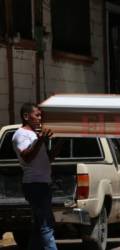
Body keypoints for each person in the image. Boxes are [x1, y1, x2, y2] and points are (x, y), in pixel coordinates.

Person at [12, 103, 60, 250]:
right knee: (46, 225)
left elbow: (48, 158)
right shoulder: (21, 134)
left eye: (41, 116)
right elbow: (26, 157)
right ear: (26, 116)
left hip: (43, 183)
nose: (40, 118)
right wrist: (40, 140)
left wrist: (61, 141)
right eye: (37, 115)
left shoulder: (35, 134)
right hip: (35, 184)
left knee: (39, 226)